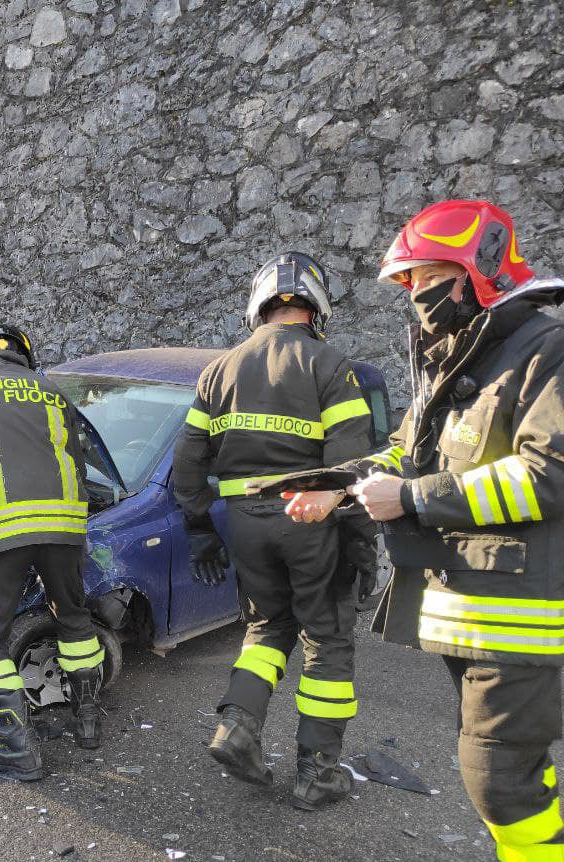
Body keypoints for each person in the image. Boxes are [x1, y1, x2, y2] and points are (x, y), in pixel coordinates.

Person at [288, 200, 564, 859]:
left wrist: (412, 498)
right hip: (471, 609)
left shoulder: (545, 350)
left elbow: (548, 474)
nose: (414, 294)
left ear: (477, 271)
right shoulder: (456, 359)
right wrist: (335, 491)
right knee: (515, 774)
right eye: (407, 283)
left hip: (519, 610)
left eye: (424, 276)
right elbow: (402, 455)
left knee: (498, 779)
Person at [172, 252, 377, 810]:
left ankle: (237, 728)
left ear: (258, 306)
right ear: (316, 306)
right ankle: (318, 773)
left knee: (266, 628)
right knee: (329, 638)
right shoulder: (332, 366)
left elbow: (187, 465)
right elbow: (350, 471)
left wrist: (199, 529)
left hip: (245, 524)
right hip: (311, 522)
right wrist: (361, 548)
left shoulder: (219, 370)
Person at [0, 324, 104, 781]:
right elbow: (78, 457)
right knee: (74, 617)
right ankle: (88, 722)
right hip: (65, 525)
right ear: (26, 358)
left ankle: (16, 746)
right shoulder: (53, 391)